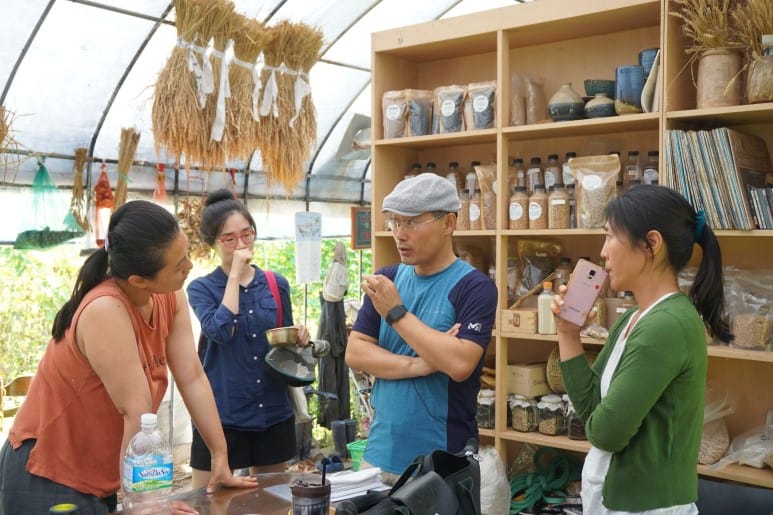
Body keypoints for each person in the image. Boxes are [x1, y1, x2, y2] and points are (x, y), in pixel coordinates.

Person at [0, 200, 256, 515]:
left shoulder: (170, 295)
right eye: (178, 264)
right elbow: (135, 411)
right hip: (48, 472)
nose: (189, 267)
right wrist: (145, 504)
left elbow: (191, 376)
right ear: (138, 280)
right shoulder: (105, 309)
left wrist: (220, 457)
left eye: (186, 253)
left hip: (103, 470)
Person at [552, 185, 731, 514]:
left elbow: (605, 433)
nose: (603, 252)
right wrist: (568, 333)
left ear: (651, 244)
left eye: (609, 236)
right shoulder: (635, 318)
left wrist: (600, 423)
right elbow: (593, 406)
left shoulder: (666, 325)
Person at [345, 173, 498, 483]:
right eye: (395, 222)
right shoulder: (388, 278)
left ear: (449, 223)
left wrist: (396, 312)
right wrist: (420, 364)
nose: (400, 234)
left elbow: (458, 364)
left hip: (441, 465)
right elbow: (356, 353)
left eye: (412, 223)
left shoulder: (474, 287)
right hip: (378, 456)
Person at [186, 189, 310, 489]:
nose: (241, 244)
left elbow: (284, 341)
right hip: (221, 414)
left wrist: (300, 335)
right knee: (208, 502)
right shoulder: (201, 288)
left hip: (271, 409)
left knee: (272, 502)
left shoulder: (274, 283)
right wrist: (234, 277)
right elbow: (221, 332)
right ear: (213, 243)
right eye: (229, 239)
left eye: (247, 234)